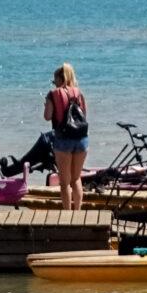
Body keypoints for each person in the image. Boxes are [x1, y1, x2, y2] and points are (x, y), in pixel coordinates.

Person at [43, 63, 89, 211]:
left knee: (64, 182)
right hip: (81, 139)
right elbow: (84, 115)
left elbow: (47, 116)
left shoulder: (53, 93)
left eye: (54, 80)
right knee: (76, 179)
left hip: (63, 140)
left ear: (59, 79)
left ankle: (67, 215)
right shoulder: (78, 92)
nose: (53, 83)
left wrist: (47, 105)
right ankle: (78, 213)